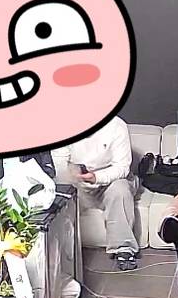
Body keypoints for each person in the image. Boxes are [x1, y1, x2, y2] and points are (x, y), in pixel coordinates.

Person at [54, 116, 140, 270]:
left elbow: (122, 167)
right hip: (77, 180)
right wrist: (73, 174)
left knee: (120, 189)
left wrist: (96, 177)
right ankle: (61, 250)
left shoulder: (116, 126)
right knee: (58, 189)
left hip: (110, 180)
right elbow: (59, 163)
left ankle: (124, 249)